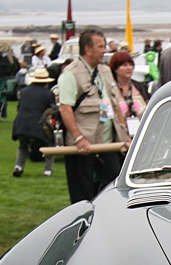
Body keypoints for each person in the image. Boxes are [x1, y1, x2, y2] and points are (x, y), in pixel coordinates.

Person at [57, 29, 130, 204]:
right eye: (101, 46)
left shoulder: (105, 70)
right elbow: (65, 108)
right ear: (88, 49)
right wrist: (78, 138)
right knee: (82, 197)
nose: (105, 50)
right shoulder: (70, 74)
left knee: (113, 192)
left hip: (108, 145)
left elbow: (115, 104)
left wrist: (124, 133)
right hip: (83, 148)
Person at [11, 67, 56, 178]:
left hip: (21, 125)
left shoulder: (24, 92)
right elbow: (53, 111)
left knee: (23, 145)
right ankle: (48, 170)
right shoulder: (48, 94)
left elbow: (19, 108)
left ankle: (18, 166)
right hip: (37, 126)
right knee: (50, 145)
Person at [108, 50, 147, 138]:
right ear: (115, 69)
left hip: (141, 135)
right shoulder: (111, 89)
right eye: (124, 65)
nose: (129, 68)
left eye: (130, 65)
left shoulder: (141, 87)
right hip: (119, 138)